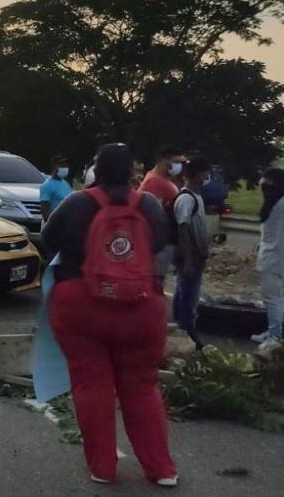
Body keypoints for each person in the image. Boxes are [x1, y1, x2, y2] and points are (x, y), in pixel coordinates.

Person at [42, 143, 176, 486]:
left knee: (92, 384)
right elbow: (160, 244)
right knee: (143, 387)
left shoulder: (76, 202)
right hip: (140, 306)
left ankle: (103, 467)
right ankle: (161, 470)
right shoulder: (148, 204)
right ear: (132, 170)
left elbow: (47, 240)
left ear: (96, 169)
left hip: (81, 305)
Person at [172, 156, 211, 350]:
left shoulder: (197, 197)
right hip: (191, 257)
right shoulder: (186, 198)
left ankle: (183, 331)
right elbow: (183, 229)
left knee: (185, 293)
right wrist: (187, 260)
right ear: (197, 175)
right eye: (205, 173)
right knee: (188, 297)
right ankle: (188, 333)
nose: (207, 177)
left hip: (197, 256)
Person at [139, 146, 184, 287]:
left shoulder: (165, 180)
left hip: (165, 241)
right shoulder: (155, 182)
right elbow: (153, 216)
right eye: (176, 162)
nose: (179, 166)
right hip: (160, 243)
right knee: (155, 281)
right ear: (163, 160)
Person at [254, 168, 284, 351]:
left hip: (275, 258)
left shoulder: (283, 203)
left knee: (273, 298)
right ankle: (273, 331)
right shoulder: (276, 201)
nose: (263, 184)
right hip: (275, 257)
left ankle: (275, 336)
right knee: (277, 298)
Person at [39, 155, 73, 222]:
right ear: (54, 166)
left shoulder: (65, 183)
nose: (65, 168)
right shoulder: (47, 185)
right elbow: (44, 211)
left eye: (66, 165)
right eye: (61, 165)